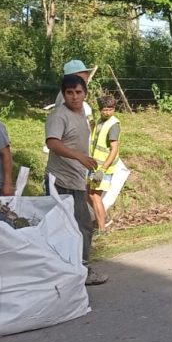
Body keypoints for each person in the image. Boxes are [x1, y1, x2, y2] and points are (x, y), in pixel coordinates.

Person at [46, 74, 107, 285]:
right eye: (69, 93)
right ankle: (81, 270)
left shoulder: (82, 113)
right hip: (61, 181)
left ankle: (70, 269)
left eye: (78, 92)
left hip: (76, 178)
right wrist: (79, 156)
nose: (74, 97)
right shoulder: (58, 116)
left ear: (85, 94)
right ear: (63, 95)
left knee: (77, 225)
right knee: (81, 225)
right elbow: (53, 143)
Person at [87, 96, 121, 232]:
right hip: (95, 165)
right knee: (88, 193)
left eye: (110, 109)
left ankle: (102, 228)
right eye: (105, 110)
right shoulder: (101, 121)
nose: (107, 112)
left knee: (95, 195)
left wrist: (103, 169)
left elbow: (114, 149)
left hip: (103, 168)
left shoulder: (113, 125)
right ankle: (103, 219)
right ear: (100, 110)